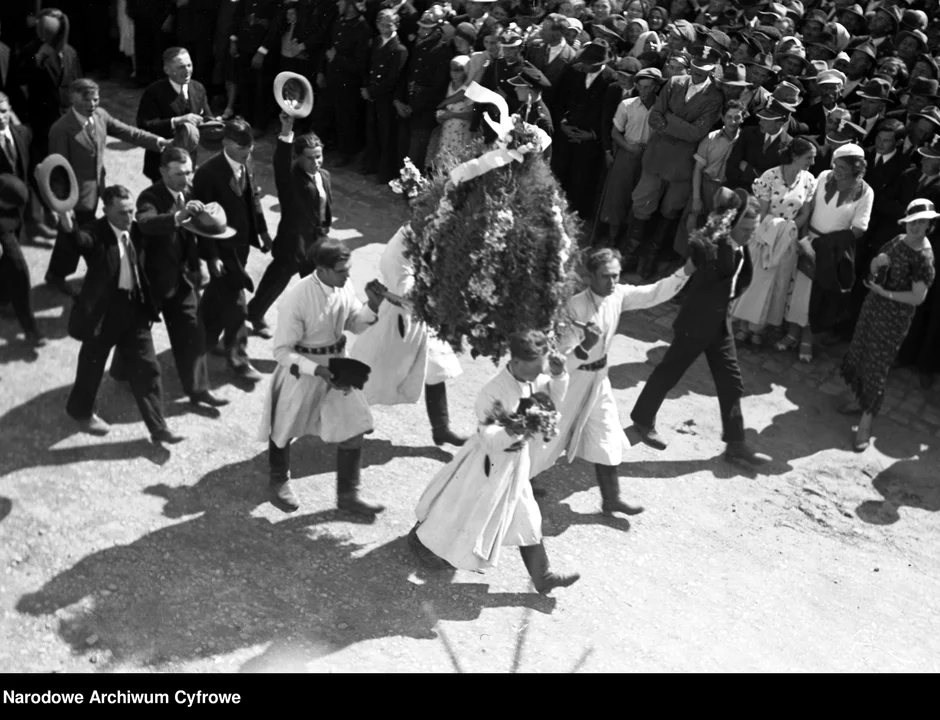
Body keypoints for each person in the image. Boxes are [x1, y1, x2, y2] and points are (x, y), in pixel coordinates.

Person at [409, 330, 580, 596]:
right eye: (536, 368)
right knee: (459, 509)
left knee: (528, 518)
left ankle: (543, 577)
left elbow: (553, 400)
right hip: (485, 465)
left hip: (515, 464)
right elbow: (487, 438)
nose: (539, 374)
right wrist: (515, 429)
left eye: (542, 368)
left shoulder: (533, 378)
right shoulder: (493, 392)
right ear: (517, 362)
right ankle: (421, 542)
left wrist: (558, 375)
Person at [531, 247, 694, 514]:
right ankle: (522, 481)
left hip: (599, 381)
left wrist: (685, 272)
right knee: (549, 433)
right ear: (591, 276)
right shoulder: (575, 307)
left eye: (617, 276)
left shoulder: (618, 295)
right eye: (606, 276)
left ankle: (611, 498)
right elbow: (558, 359)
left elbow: (652, 293)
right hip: (570, 382)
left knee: (608, 434)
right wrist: (585, 347)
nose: (613, 282)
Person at [630, 187, 773, 467]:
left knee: (732, 382)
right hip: (695, 324)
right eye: (745, 228)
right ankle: (642, 419)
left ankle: (735, 443)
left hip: (719, 326)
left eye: (753, 229)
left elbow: (739, 279)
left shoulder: (740, 246)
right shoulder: (712, 247)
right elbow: (700, 245)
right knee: (669, 372)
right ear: (732, 224)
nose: (749, 235)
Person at [257, 239, 388, 517]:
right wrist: (317, 370)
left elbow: (354, 323)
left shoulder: (343, 286)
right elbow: (282, 351)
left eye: (348, 269)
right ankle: (278, 480)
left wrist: (372, 307)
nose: (348, 275)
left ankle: (348, 495)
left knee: (355, 426)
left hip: (338, 368)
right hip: (302, 373)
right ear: (322, 269)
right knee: (284, 429)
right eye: (342, 270)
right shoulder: (298, 299)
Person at [61, 185, 184, 446]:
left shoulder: (137, 229)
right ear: (106, 211)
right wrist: (67, 223)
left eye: (131, 211)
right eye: (121, 213)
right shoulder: (96, 233)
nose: (128, 218)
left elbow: (156, 230)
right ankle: (80, 411)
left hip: (134, 309)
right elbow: (80, 241)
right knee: (91, 368)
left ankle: (158, 427)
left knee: (148, 367)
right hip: (103, 315)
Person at [115, 148, 227, 414]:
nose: (185, 179)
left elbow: (202, 228)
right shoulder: (150, 197)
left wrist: (211, 258)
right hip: (151, 282)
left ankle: (199, 390)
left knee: (192, 331)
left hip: (182, 279)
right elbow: (145, 223)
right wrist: (177, 217)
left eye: (188, 172)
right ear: (163, 172)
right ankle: (121, 370)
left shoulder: (189, 194)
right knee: (138, 332)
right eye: (178, 174)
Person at [45, 78, 169, 298]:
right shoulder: (61, 129)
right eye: (87, 99)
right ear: (73, 98)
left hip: (96, 189)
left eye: (96, 98)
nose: (93, 104)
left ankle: (58, 274)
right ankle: (66, 275)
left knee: (73, 235)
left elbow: (128, 132)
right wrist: (63, 205)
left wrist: (158, 142)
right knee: (78, 235)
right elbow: (58, 172)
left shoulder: (100, 116)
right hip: (76, 196)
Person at [351, 221, 467, 447]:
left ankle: (441, 428)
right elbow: (409, 295)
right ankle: (352, 417)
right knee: (373, 371)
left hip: (419, 318)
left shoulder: (427, 235)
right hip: (397, 320)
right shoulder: (397, 251)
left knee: (436, 368)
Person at [839, 199, 936, 451]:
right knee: (860, 350)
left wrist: (886, 294)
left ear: (929, 225)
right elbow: (874, 266)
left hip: (894, 315)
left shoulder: (924, 258)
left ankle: (866, 421)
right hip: (873, 306)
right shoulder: (897, 240)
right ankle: (858, 399)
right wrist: (877, 263)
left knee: (877, 364)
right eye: (912, 222)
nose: (916, 227)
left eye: (921, 223)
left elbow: (917, 297)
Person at [627, 45, 724, 281]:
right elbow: (654, 117)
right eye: (695, 68)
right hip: (657, 157)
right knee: (642, 202)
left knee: (670, 209)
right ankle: (631, 253)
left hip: (683, 165)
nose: (697, 73)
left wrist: (669, 119)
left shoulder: (714, 97)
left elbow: (696, 134)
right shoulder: (674, 83)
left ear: (712, 70)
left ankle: (652, 257)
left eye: (703, 70)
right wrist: (677, 124)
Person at [778, 143, 874, 363]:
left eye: (843, 167)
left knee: (817, 296)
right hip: (807, 241)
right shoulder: (822, 177)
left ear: (856, 168)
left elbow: (860, 228)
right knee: (798, 292)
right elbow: (808, 207)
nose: (837, 170)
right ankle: (792, 333)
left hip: (833, 253)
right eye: (835, 165)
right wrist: (803, 238)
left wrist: (828, 245)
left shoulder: (866, 192)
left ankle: (807, 339)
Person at [192, 118, 271, 381]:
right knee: (237, 302)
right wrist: (211, 257)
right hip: (222, 247)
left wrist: (262, 231)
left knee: (217, 292)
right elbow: (201, 222)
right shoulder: (207, 173)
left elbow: (253, 199)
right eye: (241, 146)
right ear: (225, 142)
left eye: (250, 146)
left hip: (242, 243)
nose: (247, 151)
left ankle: (200, 339)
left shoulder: (247, 163)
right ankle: (238, 359)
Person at [247, 113, 330, 339]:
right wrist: (286, 130)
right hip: (292, 245)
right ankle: (253, 314)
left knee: (316, 291)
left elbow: (324, 212)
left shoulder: (324, 176)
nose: (316, 162)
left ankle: (310, 332)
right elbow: (280, 162)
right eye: (310, 158)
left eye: (319, 156)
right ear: (298, 159)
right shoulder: (291, 178)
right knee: (274, 284)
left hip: (315, 244)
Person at [731, 137, 818, 346]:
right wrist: (773, 231)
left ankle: (758, 329)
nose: (812, 163)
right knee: (755, 281)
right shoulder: (770, 176)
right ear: (795, 156)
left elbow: (805, 211)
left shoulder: (809, 180)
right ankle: (743, 327)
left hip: (787, 239)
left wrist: (789, 229)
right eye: (809, 158)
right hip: (763, 236)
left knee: (776, 284)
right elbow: (761, 210)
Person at [597, 66, 661, 255]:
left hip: (649, 159)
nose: (644, 91)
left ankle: (629, 241)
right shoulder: (627, 105)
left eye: (648, 87)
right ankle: (612, 238)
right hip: (628, 153)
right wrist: (629, 147)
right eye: (641, 87)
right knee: (617, 196)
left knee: (639, 199)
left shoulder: (661, 109)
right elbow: (615, 132)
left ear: (656, 87)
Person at [137, 47, 215, 183]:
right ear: (167, 70)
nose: (187, 71)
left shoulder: (198, 88)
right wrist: (176, 121)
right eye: (181, 67)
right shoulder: (154, 92)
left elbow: (206, 116)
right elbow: (144, 124)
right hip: (162, 162)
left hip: (188, 161)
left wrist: (215, 124)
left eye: (189, 65)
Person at [360, 9, 409, 183]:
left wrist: (373, 92)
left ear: (396, 25)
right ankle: (371, 164)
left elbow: (393, 78)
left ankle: (385, 171)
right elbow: (368, 66)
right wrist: (366, 87)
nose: (384, 27)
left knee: (386, 134)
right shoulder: (376, 42)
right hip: (371, 93)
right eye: (381, 24)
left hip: (386, 98)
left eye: (388, 24)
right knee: (372, 130)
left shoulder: (399, 49)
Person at [0, 174, 43, 346]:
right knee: (14, 266)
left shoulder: (9, 195)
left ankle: (29, 327)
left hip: (5, 230)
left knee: (17, 270)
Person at [429, 55, 475, 167]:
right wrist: (440, 116)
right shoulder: (448, 86)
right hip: (446, 135)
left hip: (461, 135)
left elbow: (472, 115)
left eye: (459, 71)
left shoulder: (470, 89)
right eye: (452, 71)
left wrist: (452, 114)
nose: (454, 74)